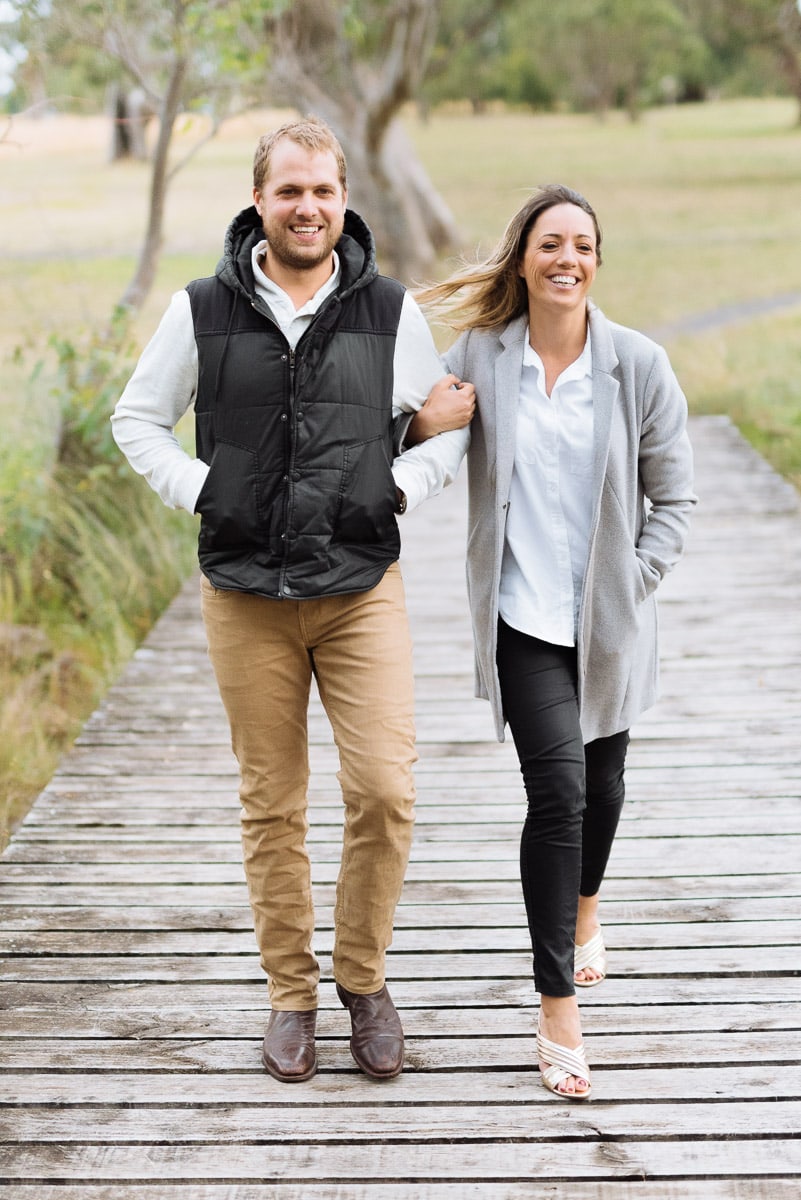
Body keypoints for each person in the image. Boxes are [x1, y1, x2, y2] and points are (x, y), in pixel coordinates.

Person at [111, 116, 474, 1084]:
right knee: (271, 806)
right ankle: (290, 997)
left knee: (386, 793)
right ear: (260, 201)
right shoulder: (201, 310)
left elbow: (446, 429)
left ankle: (363, 982)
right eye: (289, 191)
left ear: (344, 199)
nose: (307, 207)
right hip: (245, 594)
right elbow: (137, 418)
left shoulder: (391, 310)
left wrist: (398, 485)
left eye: (323, 190)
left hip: (360, 585)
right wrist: (204, 491)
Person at [411, 184, 697, 1099]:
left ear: (596, 263)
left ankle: (585, 907)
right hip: (521, 616)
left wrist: (630, 586)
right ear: (523, 259)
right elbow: (431, 438)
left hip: (610, 621)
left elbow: (674, 500)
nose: (564, 258)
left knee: (605, 787)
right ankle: (556, 1009)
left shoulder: (639, 366)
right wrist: (419, 425)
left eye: (580, 244)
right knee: (561, 794)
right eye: (548, 243)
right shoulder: (480, 358)